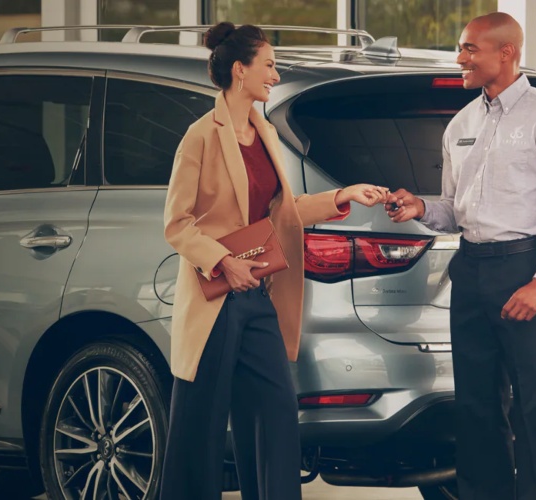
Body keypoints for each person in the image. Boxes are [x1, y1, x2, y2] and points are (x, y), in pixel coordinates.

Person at [159, 22, 387, 500]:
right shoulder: (199, 136)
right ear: (240, 71)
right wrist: (224, 262)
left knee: (277, 415)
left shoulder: (263, 131)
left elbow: (283, 213)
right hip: (215, 299)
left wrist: (342, 195)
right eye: (269, 65)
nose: (275, 74)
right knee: (199, 427)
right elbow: (177, 223)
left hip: (258, 296)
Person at [385, 12, 536, 500]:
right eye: (460, 48)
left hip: (524, 270)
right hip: (471, 271)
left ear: (507, 52)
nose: (460, 58)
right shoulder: (462, 122)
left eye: (469, 49)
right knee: (476, 407)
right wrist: (419, 207)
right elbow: (455, 211)